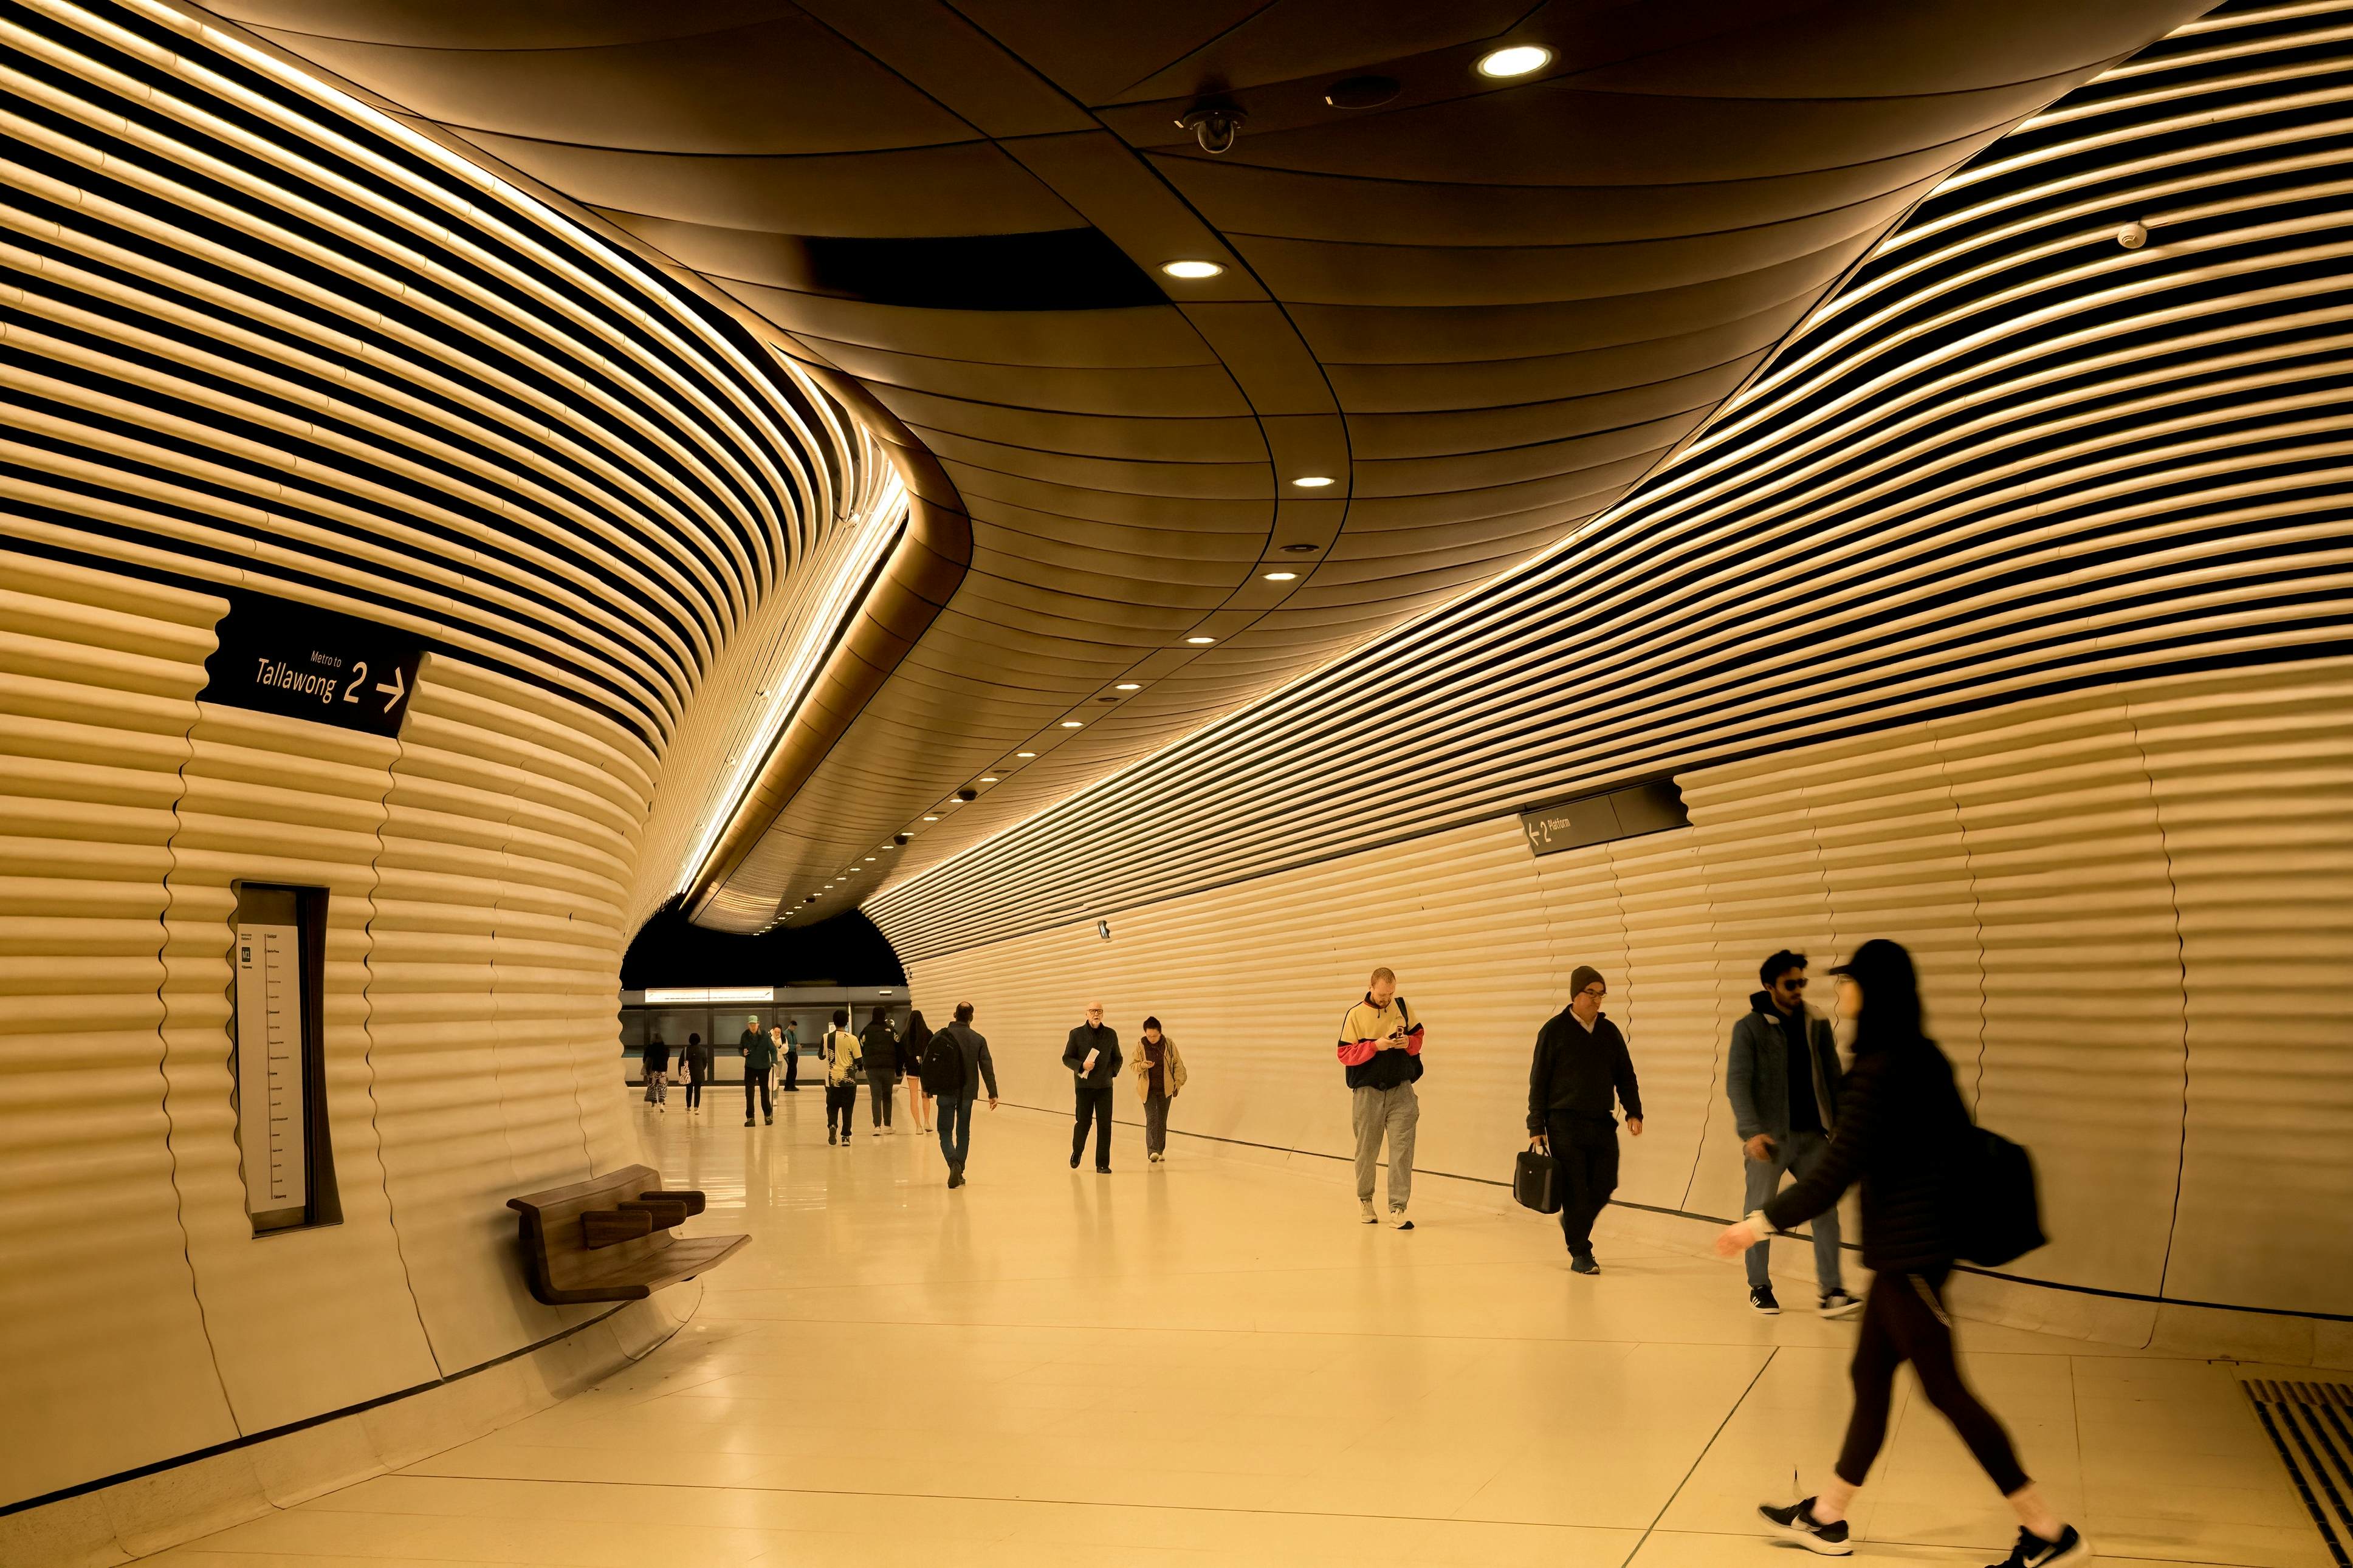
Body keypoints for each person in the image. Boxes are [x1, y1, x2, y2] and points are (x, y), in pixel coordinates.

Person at [1716, 941, 2084, 1568]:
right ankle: (1827, 1515)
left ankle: (2047, 1531)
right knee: (1868, 1377)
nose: (1839, 990)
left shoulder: (1878, 1070)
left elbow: (1833, 1173)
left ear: (1873, 990)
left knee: (1946, 1392)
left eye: (1848, 981)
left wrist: (1757, 1224)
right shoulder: (1922, 1058)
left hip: (1908, 1255)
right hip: (1917, 1248)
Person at [1729, 950, 1860, 1318]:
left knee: (1824, 1205)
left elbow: (1833, 1076)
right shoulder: (1750, 1027)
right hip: (1770, 1139)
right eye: (1791, 983)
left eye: (1802, 982)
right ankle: (1760, 1287)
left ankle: (1831, 1291)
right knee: (1759, 1212)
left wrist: (1841, 1125)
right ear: (1770, 986)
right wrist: (1752, 1132)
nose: (1799, 989)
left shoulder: (1815, 1023)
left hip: (1813, 1135)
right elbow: (1738, 1083)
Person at [1526, 965, 1643, 1275]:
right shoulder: (1554, 1031)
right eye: (1590, 993)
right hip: (1563, 1122)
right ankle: (1581, 1251)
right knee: (1576, 1188)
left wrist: (1634, 1111)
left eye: (1601, 994)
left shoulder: (1609, 1033)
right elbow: (1539, 1081)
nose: (1596, 1000)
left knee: (1606, 1183)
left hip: (1601, 1120)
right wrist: (1536, 1126)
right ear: (1575, 995)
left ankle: (1575, 1222)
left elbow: (1625, 1074)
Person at [1337, 967, 1424, 1230]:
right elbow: (1344, 1054)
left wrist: (1406, 1043)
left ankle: (1398, 1208)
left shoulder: (1403, 1007)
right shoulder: (1355, 1015)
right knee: (1366, 1150)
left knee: (1402, 1150)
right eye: (1383, 994)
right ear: (1371, 987)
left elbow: (1419, 1038)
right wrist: (1376, 1046)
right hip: (1368, 1093)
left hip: (1401, 1090)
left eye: (1391, 993)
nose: (1387, 998)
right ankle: (1366, 1200)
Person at [929, 1001, 998, 1188]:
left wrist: (927, 1088)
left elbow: (929, 1064)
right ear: (971, 1017)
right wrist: (993, 1093)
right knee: (963, 1131)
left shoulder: (941, 1036)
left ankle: (953, 1164)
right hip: (967, 1092)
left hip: (945, 1090)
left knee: (944, 1131)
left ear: (954, 1015)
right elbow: (987, 1067)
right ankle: (959, 1167)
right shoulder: (978, 1039)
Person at [1063, 1001, 1122, 1172]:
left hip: (1105, 1087)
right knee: (1084, 1122)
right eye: (1092, 1011)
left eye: (1099, 1011)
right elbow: (1067, 1058)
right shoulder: (1076, 1034)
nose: (1096, 1014)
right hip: (1084, 1087)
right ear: (1086, 1014)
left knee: (1105, 1125)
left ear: (1103, 1014)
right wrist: (1082, 1066)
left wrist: (1111, 1072)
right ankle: (1077, 1151)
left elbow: (1118, 1058)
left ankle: (1102, 1164)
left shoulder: (1111, 1034)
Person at [1130, 1016, 1185, 1163]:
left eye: (1154, 1036)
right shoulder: (1141, 1046)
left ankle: (1160, 1150)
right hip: (1147, 1090)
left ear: (1160, 1033)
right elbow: (1133, 1066)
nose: (1151, 1039)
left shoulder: (1169, 1044)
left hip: (1165, 1089)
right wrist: (1143, 1065)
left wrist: (1177, 1084)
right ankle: (1152, 1150)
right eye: (1148, 1036)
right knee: (1152, 1118)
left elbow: (1178, 1065)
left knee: (1162, 1120)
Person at [823, 1008, 862, 1146]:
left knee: (832, 1106)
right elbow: (859, 1060)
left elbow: (821, 1056)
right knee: (848, 1108)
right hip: (849, 1081)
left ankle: (832, 1125)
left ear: (834, 1022)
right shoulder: (853, 1039)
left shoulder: (826, 1037)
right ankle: (846, 1136)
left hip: (832, 1080)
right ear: (846, 1023)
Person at [860, 1008, 899, 1131]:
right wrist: (898, 1069)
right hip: (888, 1068)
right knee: (887, 1096)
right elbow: (898, 1049)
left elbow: (860, 1047)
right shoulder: (892, 1031)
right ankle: (888, 1125)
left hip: (872, 1069)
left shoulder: (866, 1030)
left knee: (876, 1096)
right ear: (884, 1016)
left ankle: (877, 1126)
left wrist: (863, 1064)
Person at [740, 1014, 777, 1126]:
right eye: (751, 1024)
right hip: (750, 1067)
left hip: (764, 1068)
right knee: (749, 1093)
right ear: (748, 1025)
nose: (753, 1027)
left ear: (758, 1024)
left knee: (765, 1092)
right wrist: (743, 1053)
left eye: (754, 1024)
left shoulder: (765, 1036)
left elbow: (773, 1050)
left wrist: (774, 1061)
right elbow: (741, 1048)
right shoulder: (745, 1035)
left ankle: (767, 1116)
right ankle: (750, 1118)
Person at [901, 1008, 933, 1134]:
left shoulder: (906, 1036)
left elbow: (902, 1054)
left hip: (911, 1069)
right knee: (926, 1096)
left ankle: (918, 1126)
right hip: (925, 1069)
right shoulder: (928, 1033)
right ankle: (927, 1122)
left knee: (913, 1097)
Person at [682, 1031, 710, 1114]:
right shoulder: (702, 1050)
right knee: (698, 1090)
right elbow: (705, 1062)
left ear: (690, 1040)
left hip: (688, 1073)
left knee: (689, 1090)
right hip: (699, 1073)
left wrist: (681, 1073)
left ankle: (688, 1107)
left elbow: (681, 1062)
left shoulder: (686, 1050)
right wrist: (701, 1069)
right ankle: (696, 1108)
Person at [641, 1034, 670, 1112]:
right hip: (663, 1071)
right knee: (662, 1086)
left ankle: (653, 1103)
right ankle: (661, 1103)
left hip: (652, 1070)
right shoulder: (665, 1048)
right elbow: (667, 1058)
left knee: (652, 1086)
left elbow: (645, 1059)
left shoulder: (650, 1048)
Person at [780, 1017, 800, 1092]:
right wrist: (795, 1046)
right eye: (794, 1027)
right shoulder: (786, 1034)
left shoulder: (793, 1034)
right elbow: (786, 1045)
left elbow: (795, 1042)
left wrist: (797, 1046)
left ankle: (791, 1085)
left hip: (793, 1053)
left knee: (793, 1069)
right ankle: (789, 1085)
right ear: (791, 1026)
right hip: (789, 1053)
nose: (794, 1029)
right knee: (791, 1069)